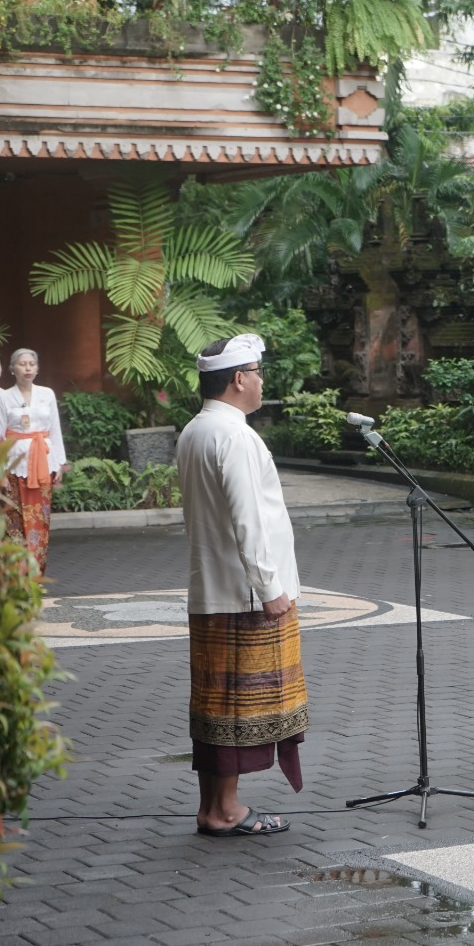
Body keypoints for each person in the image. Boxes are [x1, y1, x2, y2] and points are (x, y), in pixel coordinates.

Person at [176, 334, 307, 837]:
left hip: (213, 587)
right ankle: (226, 810)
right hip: (246, 592)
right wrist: (271, 587)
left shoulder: (196, 429)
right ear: (238, 379)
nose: (260, 380)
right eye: (256, 371)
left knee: (216, 700)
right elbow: (248, 520)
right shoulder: (234, 435)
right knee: (237, 704)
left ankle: (214, 806)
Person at [0, 348, 68, 574]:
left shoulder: (47, 393)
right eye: (22, 364)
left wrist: (59, 462)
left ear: (38, 367)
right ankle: (18, 573)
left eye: (32, 364)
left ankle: (36, 574)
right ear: (12, 369)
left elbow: (54, 429)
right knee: (15, 520)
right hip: (14, 464)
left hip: (43, 463)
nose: (28, 368)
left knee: (40, 519)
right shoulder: (4, 396)